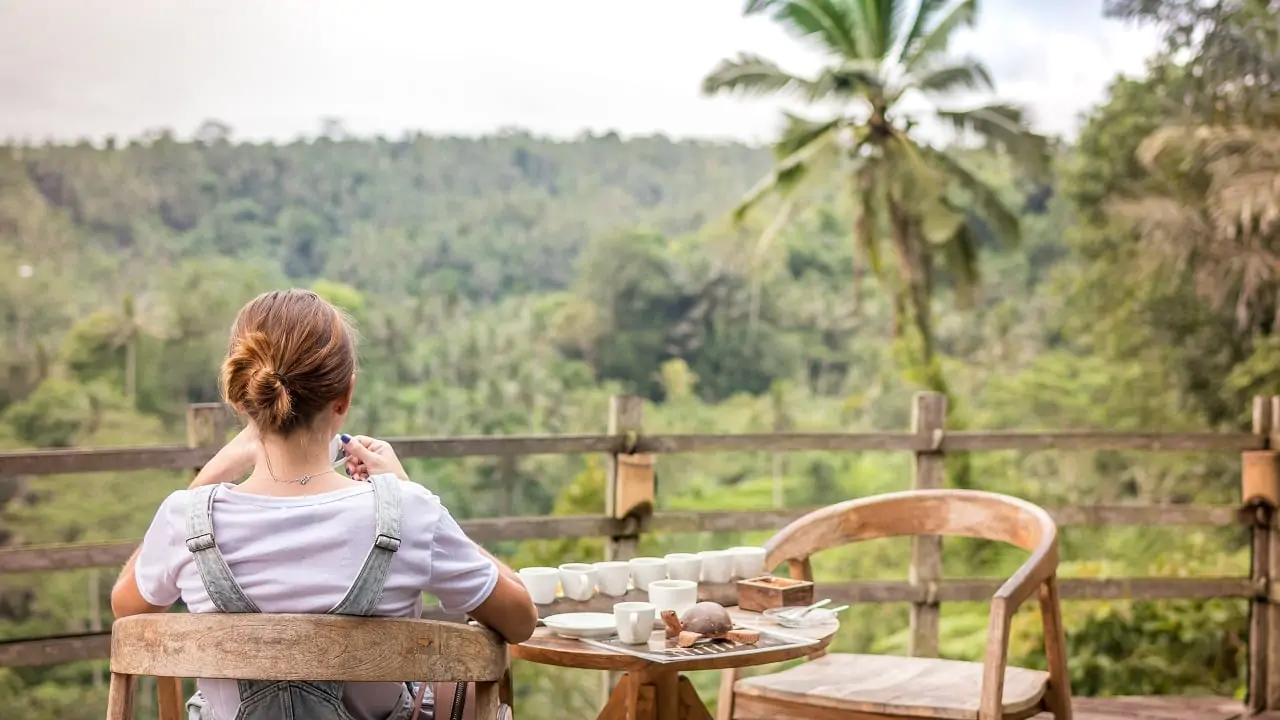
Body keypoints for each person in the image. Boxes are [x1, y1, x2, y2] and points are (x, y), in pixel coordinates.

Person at [110, 289, 538, 720]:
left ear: (241, 400)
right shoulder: (410, 514)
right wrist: (409, 490)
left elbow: (126, 608)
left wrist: (207, 477)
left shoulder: (185, 520)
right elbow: (520, 620)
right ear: (345, 398)